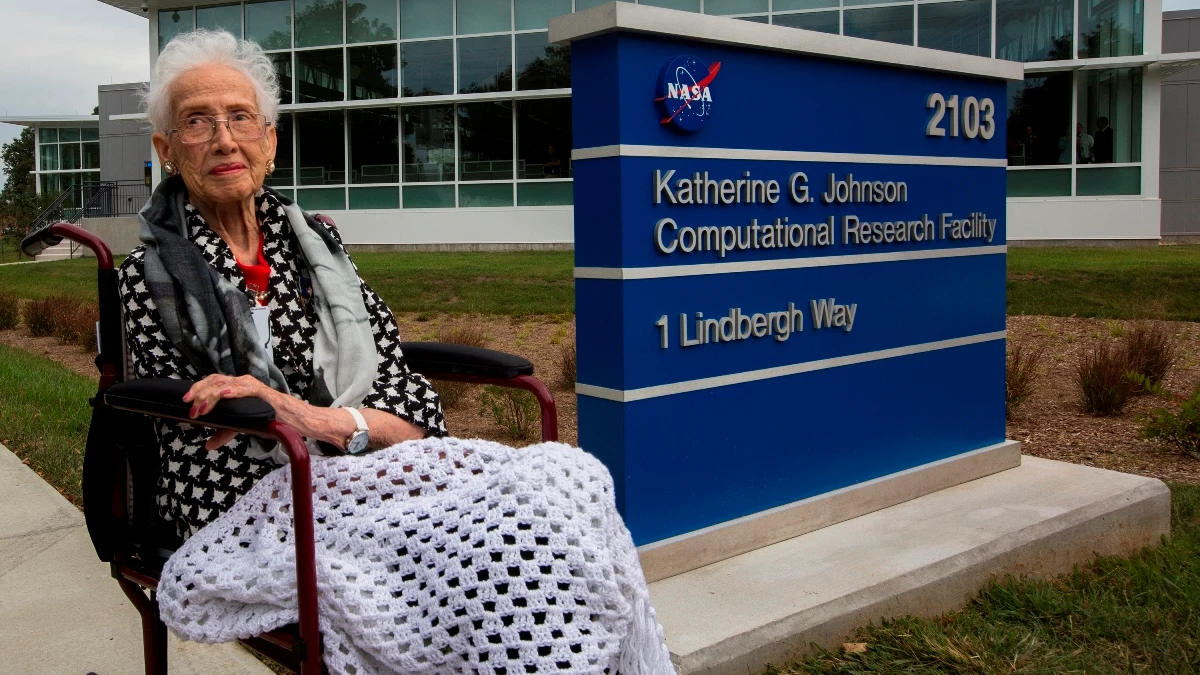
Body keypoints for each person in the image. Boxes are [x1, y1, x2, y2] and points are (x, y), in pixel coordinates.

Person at [119, 29, 446, 541]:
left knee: (555, 492)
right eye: (197, 121)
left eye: (241, 118)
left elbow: (412, 404)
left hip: (366, 475)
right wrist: (347, 433)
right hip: (249, 504)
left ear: (268, 141)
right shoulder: (149, 276)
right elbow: (203, 443)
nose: (224, 140)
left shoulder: (318, 247)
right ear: (167, 149)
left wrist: (314, 420)